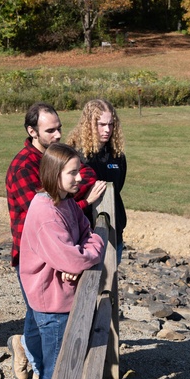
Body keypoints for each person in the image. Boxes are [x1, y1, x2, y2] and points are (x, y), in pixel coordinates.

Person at [5, 102, 106, 379]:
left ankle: (34, 361)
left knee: (41, 325)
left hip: (59, 255)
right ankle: (40, 375)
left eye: (59, 127)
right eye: (51, 130)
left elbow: (87, 177)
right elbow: (39, 227)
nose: (59, 134)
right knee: (43, 328)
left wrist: (78, 246)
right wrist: (73, 256)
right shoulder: (23, 169)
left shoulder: (60, 186)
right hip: (38, 261)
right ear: (32, 131)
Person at [19, 143, 105, 379]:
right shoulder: (46, 213)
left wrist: (81, 255)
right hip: (52, 304)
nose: (80, 178)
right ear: (55, 174)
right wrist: (78, 259)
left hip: (55, 295)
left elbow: (86, 232)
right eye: (73, 173)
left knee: (51, 365)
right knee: (54, 373)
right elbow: (74, 258)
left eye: (79, 171)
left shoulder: (66, 202)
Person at [66, 99, 127, 261]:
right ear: (89, 124)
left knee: (110, 280)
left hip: (115, 229)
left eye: (111, 124)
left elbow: (118, 187)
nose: (107, 130)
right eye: (101, 124)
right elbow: (66, 199)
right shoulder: (76, 156)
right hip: (85, 234)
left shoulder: (117, 156)